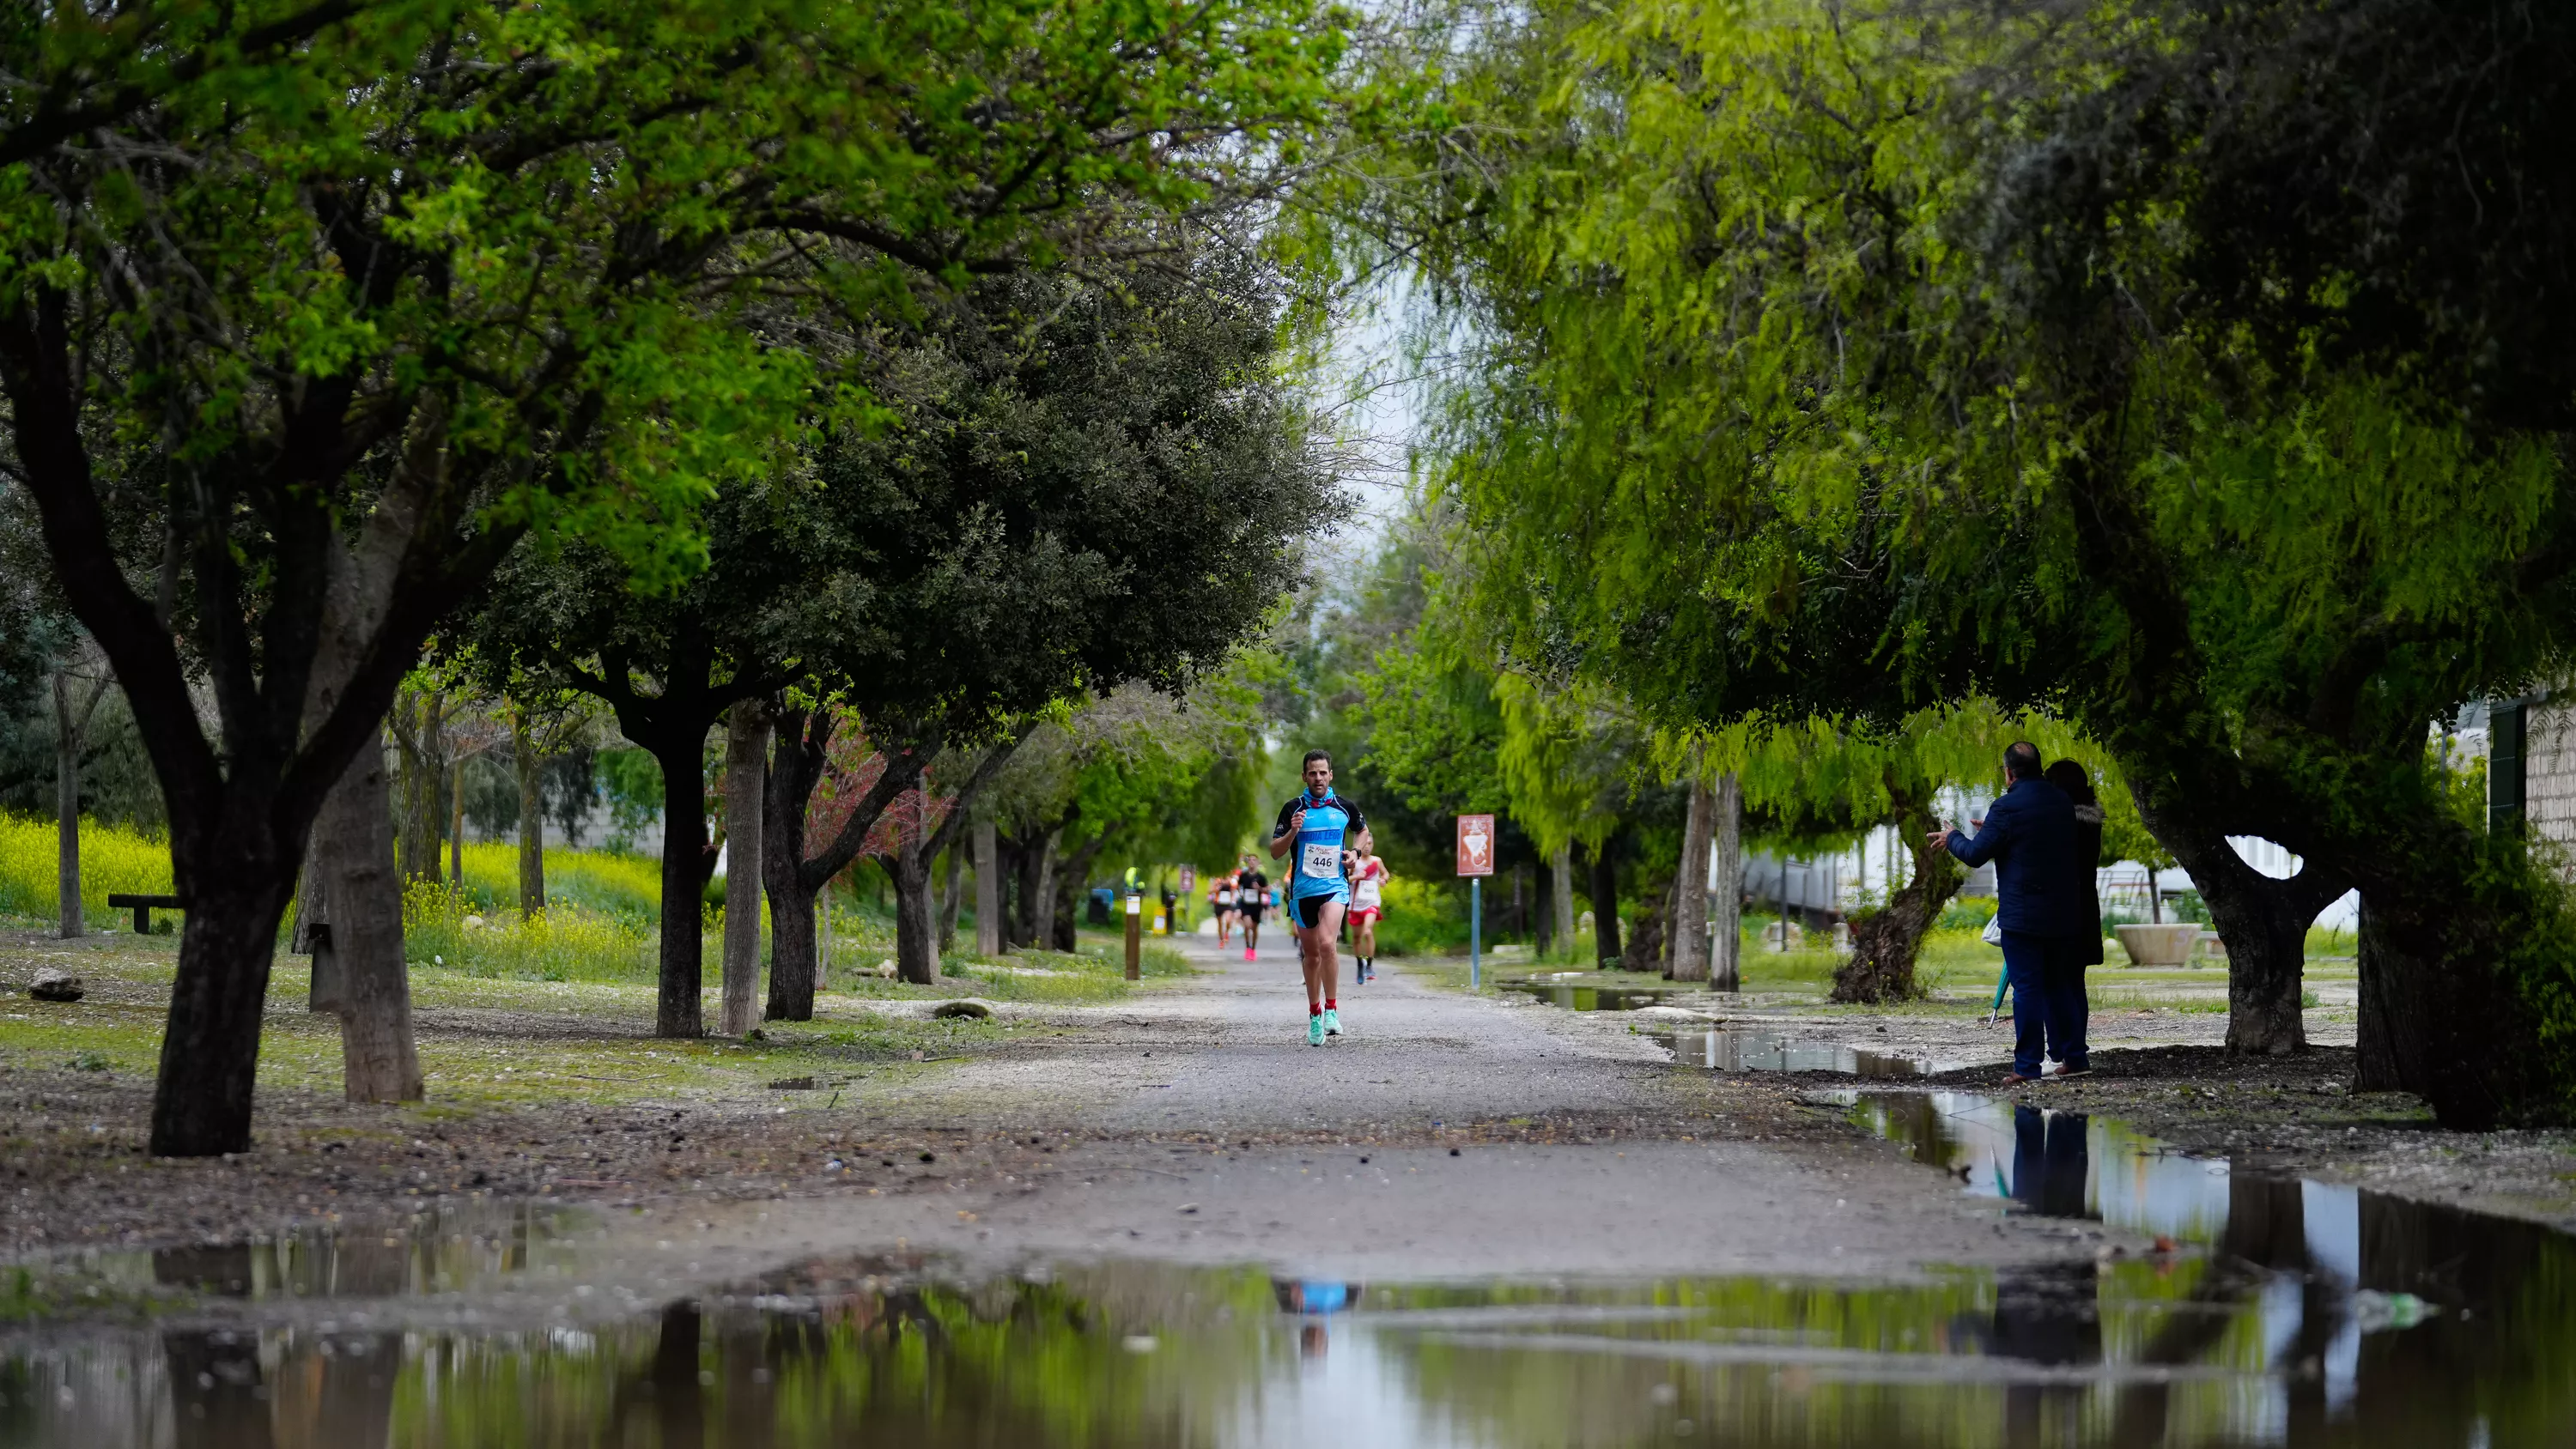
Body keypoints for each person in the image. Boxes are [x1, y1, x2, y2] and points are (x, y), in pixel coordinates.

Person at [1929, 741, 2091, 1085]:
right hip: (2064, 912)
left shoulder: (2006, 807)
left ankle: (2027, 1066)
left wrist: (1953, 835)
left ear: (2008, 772)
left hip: (2024, 915)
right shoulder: (2061, 802)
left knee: (2028, 989)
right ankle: (2075, 1058)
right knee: (2062, 985)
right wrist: (1993, 829)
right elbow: (2036, 840)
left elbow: (1974, 854)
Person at [1268, 749, 1368, 1046]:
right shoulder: (1293, 809)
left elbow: (1362, 831)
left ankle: (1332, 1011)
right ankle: (1314, 1015)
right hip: (1302, 892)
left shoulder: (1343, 806)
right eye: (1313, 773)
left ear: (1331, 775)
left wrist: (1355, 853)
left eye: (1323, 772)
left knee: (1327, 944)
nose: (1318, 778)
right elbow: (1275, 852)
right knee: (1310, 955)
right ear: (1304, 776)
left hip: (1334, 886)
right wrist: (1292, 833)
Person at [2043, 759, 2105, 1079]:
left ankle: (2067, 1053)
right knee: (2073, 983)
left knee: (2056, 984)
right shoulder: (2089, 821)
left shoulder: (2065, 823)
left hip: (2062, 908)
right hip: (2084, 907)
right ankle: (2072, 1052)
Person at [1346, 828, 1389, 984]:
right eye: (1365, 843)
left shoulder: (1376, 861)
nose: (1367, 847)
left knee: (1367, 931)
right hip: (1355, 904)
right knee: (1357, 937)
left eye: (1370, 844)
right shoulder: (1354, 861)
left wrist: (1384, 880)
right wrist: (1356, 876)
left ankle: (1370, 965)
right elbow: (1345, 879)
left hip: (1372, 902)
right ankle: (1360, 963)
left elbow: (1385, 873)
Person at [1236, 858, 1269, 961]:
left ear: (1258, 863)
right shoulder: (1243, 875)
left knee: (1254, 928)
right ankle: (1247, 947)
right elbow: (1238, 886)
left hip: (1256, 905)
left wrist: (1259, 888)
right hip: (1245, 904)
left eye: (1254, 860)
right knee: (1247, 925)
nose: (1252, 862)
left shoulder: (1261, 877)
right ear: (1247, 862)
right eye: (1250, 860)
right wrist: (1240, 893)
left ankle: (1253, 949)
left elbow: (1267, 890)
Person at [1212, 870, 1238, 947]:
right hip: (1218, 903)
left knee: (1228, 920)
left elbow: (1234, 891)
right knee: (1220, 923)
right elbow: (1211, 891)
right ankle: (1221, 941)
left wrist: (1233, 898)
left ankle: (1226, 932)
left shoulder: (1232, 881)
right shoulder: (1217, 881)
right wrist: (1216, 889)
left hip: (1227, 904)